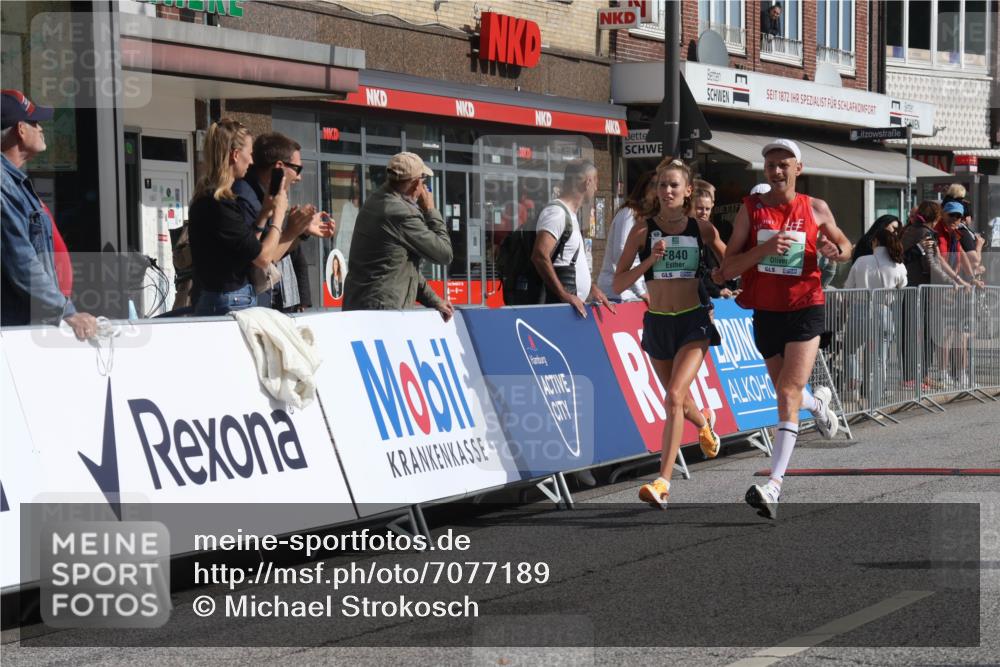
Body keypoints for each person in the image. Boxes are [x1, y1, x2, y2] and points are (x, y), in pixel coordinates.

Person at [721, 139, 853, 520]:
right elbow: (728, 267)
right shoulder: (751, 210)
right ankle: (819, 405)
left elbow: (846, 245)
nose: (777, 171)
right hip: (766, 311)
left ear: (799, 168)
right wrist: (763, 251)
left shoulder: (815, 207)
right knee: (789, 393)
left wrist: (836, 252)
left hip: (805, 306)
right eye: (771, 165)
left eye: (784, 164)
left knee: (787, 391)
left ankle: (774, 486)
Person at [613, 158, 727, 509]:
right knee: (678, 399)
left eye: (674, 185)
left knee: (675, 396)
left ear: (688, 190)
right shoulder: (642, 231)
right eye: (662, 185)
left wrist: (724, 278)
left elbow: (730, 264)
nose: (667, 191)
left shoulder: (701, 229)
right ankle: (705, 424)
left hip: (693, 321)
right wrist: (649, 261)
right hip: (659, 321)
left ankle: (663, 482)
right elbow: (618, 282)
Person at [188, 119, 311, 316]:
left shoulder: (207, 199)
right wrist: (279, 216)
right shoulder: (221, 204)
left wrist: (265, 213)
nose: (252, 161)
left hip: (224, 299)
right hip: (231, 301)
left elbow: (246, 250)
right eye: (250, 154)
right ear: (236, 155)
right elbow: (263, 259)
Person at [1, 89, 97, 340]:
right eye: (35, 123)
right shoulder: (3, 184)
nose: (41, 128)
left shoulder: (16, 183)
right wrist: (67, 312)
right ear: (20, 129)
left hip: (24, 325)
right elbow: (20, 260)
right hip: (13, 331)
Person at [342, 151, 454, 321]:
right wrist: (430, 210)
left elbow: (403, 268)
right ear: (416, 183)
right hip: (382, 314)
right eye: (424, 180)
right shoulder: (401, 213)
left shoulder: (376, 201)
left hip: (366, 307)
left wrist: (435, 301)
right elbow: (444, 254)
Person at [233, 132, 334, 312]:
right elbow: (261, 261)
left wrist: (302, 231)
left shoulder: (261, 195)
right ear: (279, 167)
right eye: (297, 169)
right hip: (242, 305)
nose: (299, 177)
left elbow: (273, 253)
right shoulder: (246, 198)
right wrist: (291, 230)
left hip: (254, 302)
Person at [532, 159, 615, 318]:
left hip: (570, 307)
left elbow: (567, 258)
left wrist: (591, 288)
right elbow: (539, 255)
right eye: (596, 182)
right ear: (587, 182)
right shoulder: (557, 213)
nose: (596, 188)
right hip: (560, 308)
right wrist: (564, 295)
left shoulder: (570, 214)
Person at [844, 222, 908, 396]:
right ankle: (879, 393)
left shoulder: (861, 261)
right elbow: (903, 285)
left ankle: (854, 382)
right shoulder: (898, 265)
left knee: (850, 350)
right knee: (881, 357)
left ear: (876, 242)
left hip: (860, 309)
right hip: (884, 311)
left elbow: (848, 287)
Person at [597, 171, 656, 303]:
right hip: (619, 294)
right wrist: (641, 291)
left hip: (636, 294)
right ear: (644, 188)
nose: (659, 190)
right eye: (654, 185)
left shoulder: (650, 219)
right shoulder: (629, 213)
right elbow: (621, 253)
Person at [690, 186, 739, 301]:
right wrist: (717, 292)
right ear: (690, 207)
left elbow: (727, 263)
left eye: (707, 209)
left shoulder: (711, 232)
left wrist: (729, 289)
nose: (704, 213)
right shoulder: (682, 231)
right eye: (699, 208)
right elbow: (696, 273)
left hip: (709, 297)